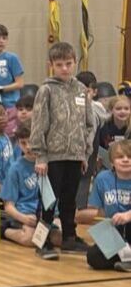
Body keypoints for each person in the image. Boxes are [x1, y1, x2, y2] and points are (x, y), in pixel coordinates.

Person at [30, 40, 95, 258]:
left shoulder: (81, 90)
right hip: (52, 157)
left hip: (75, 155)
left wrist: (84, 152)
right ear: (51, 65)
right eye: (60, 65)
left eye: (68, 63)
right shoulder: (46, 90)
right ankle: (42, 241)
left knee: (70, 199)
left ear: (75, 62)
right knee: (49, 200)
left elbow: (88, 123)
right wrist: (40, 156)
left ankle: (69, 237)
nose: (65, 68)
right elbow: (39, 124)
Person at [0, 125, 62, 252]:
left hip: (48, 216)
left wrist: (57, 218)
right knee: (30, 239)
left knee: (59, 240)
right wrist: (23, 218)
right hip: (26, 215)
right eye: (23, 143)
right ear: (18, 144)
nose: (28, 147)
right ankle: (4, 231)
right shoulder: (15, 169)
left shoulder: (50, 165)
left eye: (32, 142)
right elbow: (8, 206)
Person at [85, 137, 131, 271]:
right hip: (114, 232)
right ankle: (125, 259)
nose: (125, 160)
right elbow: (98, 211)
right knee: (93, 257)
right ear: (112, 162)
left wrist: (127, 215)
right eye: (120, 157)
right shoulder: (102, 179)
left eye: (129, 156)